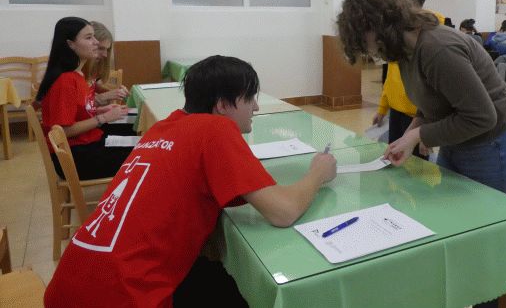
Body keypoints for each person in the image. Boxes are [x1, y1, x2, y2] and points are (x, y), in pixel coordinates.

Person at [44, 55, 337, 308]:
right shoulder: (216, 129)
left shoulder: (163, 127)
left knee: (216, 275)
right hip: (124, 295)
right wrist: (318, 173)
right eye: (250, 98)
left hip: (71, 284)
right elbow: (283, 211)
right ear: (222, 105)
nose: (256, 107)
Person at [336, 0, 506, 308]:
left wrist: (419, 136)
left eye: (365, 42)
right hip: (462, 146)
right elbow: (435, 101)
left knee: (497, 250)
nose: (370, 52)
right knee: (465, 241)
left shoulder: (437, 48)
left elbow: (481, 116)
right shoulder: (405, 51)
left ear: (377, 26)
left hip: (495, 149)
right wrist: (411, 133)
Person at [36, 17, 132, 180]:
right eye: (89, 38)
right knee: (146, 151)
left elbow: (79, 112)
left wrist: (99, 110)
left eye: (94, 36)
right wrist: (103, 118)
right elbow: (62, 131)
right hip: (75, 158)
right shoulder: (65, 80)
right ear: (70, 44)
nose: (96, 42)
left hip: (87, 144)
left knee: (142, 141)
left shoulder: (77, 75)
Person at [82, 21, 128, 105]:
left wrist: (114, 92)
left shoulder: (93, 69)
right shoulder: (71, 75)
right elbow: (76, 106)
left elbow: (91, 87)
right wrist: (101, 97)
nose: (105, 55)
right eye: (100, 48)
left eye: (107, 49)